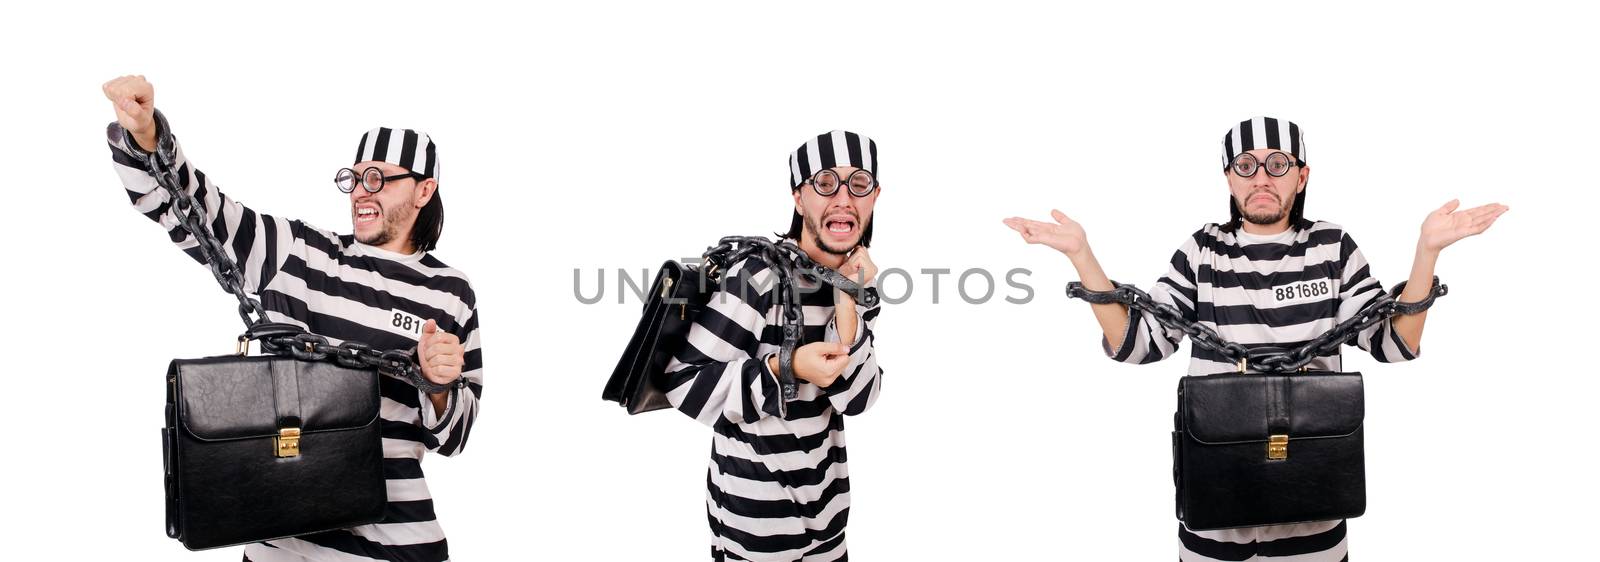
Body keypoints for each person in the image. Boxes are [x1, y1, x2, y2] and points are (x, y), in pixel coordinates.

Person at [1004, 116, 1506, 560]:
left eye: (1277, 164)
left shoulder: (1332, 246)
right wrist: (1082, 256)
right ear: (1228, 177)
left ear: (1302, 175)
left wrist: (1427, 253)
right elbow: (1141, 344)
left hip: (1314, 513)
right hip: (1216, 511)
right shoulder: (1204, 251)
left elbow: (1392, 344)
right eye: (1245, 165)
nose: (1261, 177)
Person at [103, 75, 483, 562]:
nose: (360, 193)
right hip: (280, 540)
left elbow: (458, 437)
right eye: (354, 178)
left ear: (424, 190)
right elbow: (201, 213)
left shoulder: (451, 292)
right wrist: (148, 137)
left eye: (378, 179)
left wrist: (439, 384)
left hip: (394, 545)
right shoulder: (302, 255)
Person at [663, 130, 886, 561]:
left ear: (875, 196)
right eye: (824, 183)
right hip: (756, 536)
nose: (843, 198)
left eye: (858, 184)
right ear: (799, 198)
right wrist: (788, 367)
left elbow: (858, 399)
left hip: (829, 528)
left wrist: (847, 296)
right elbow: (682, 385)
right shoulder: (755, 276)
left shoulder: (858, 281)